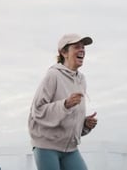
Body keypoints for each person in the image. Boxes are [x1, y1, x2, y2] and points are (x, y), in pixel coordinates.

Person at [28, 33, 98, 170]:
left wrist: (84, 124)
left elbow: (70, 117)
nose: (82, 50)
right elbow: (37, 110)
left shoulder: (81, 80)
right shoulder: (53, 75)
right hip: (46, 146)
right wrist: (65, 104)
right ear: (64, 52)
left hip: (70, 148)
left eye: (83, 47)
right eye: (77, 47)